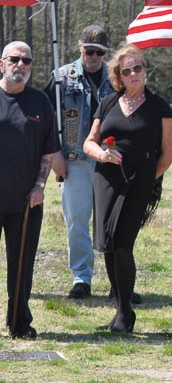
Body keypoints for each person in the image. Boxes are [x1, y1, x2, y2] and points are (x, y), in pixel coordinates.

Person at [84, 44, 172, 332]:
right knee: (108, 246)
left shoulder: (160, 106)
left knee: (124, 245)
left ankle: (126, 313)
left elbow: (169, 153)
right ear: (119, 76)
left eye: (138, 68)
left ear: (145, 70)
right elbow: (89, 142)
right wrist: (102, 155)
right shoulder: (108, 103)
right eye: (127, 71)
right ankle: (119, 310)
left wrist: (149, 179)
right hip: (106, 181)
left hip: (139, 184)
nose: (134, 73)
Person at [44, 25, 117, 300]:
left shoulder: (117, 77)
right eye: (90, 50)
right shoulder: (61, 78)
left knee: (113, 222)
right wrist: (55, 156)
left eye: (100, 52)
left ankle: (118, 280)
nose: (94, 56)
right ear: (80, 47)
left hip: (110, 159)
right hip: (74, 160)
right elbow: (47, 120)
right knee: (76, 221)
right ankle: (81, 278)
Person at [0, 41, 61, 339]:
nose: (21, 65)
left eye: (27, 61)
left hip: (25, 201)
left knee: (22, 265)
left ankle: (18, 322)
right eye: (15, 59)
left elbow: (49, 151)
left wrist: (39, 186)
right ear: (2, 64)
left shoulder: (40, 102)